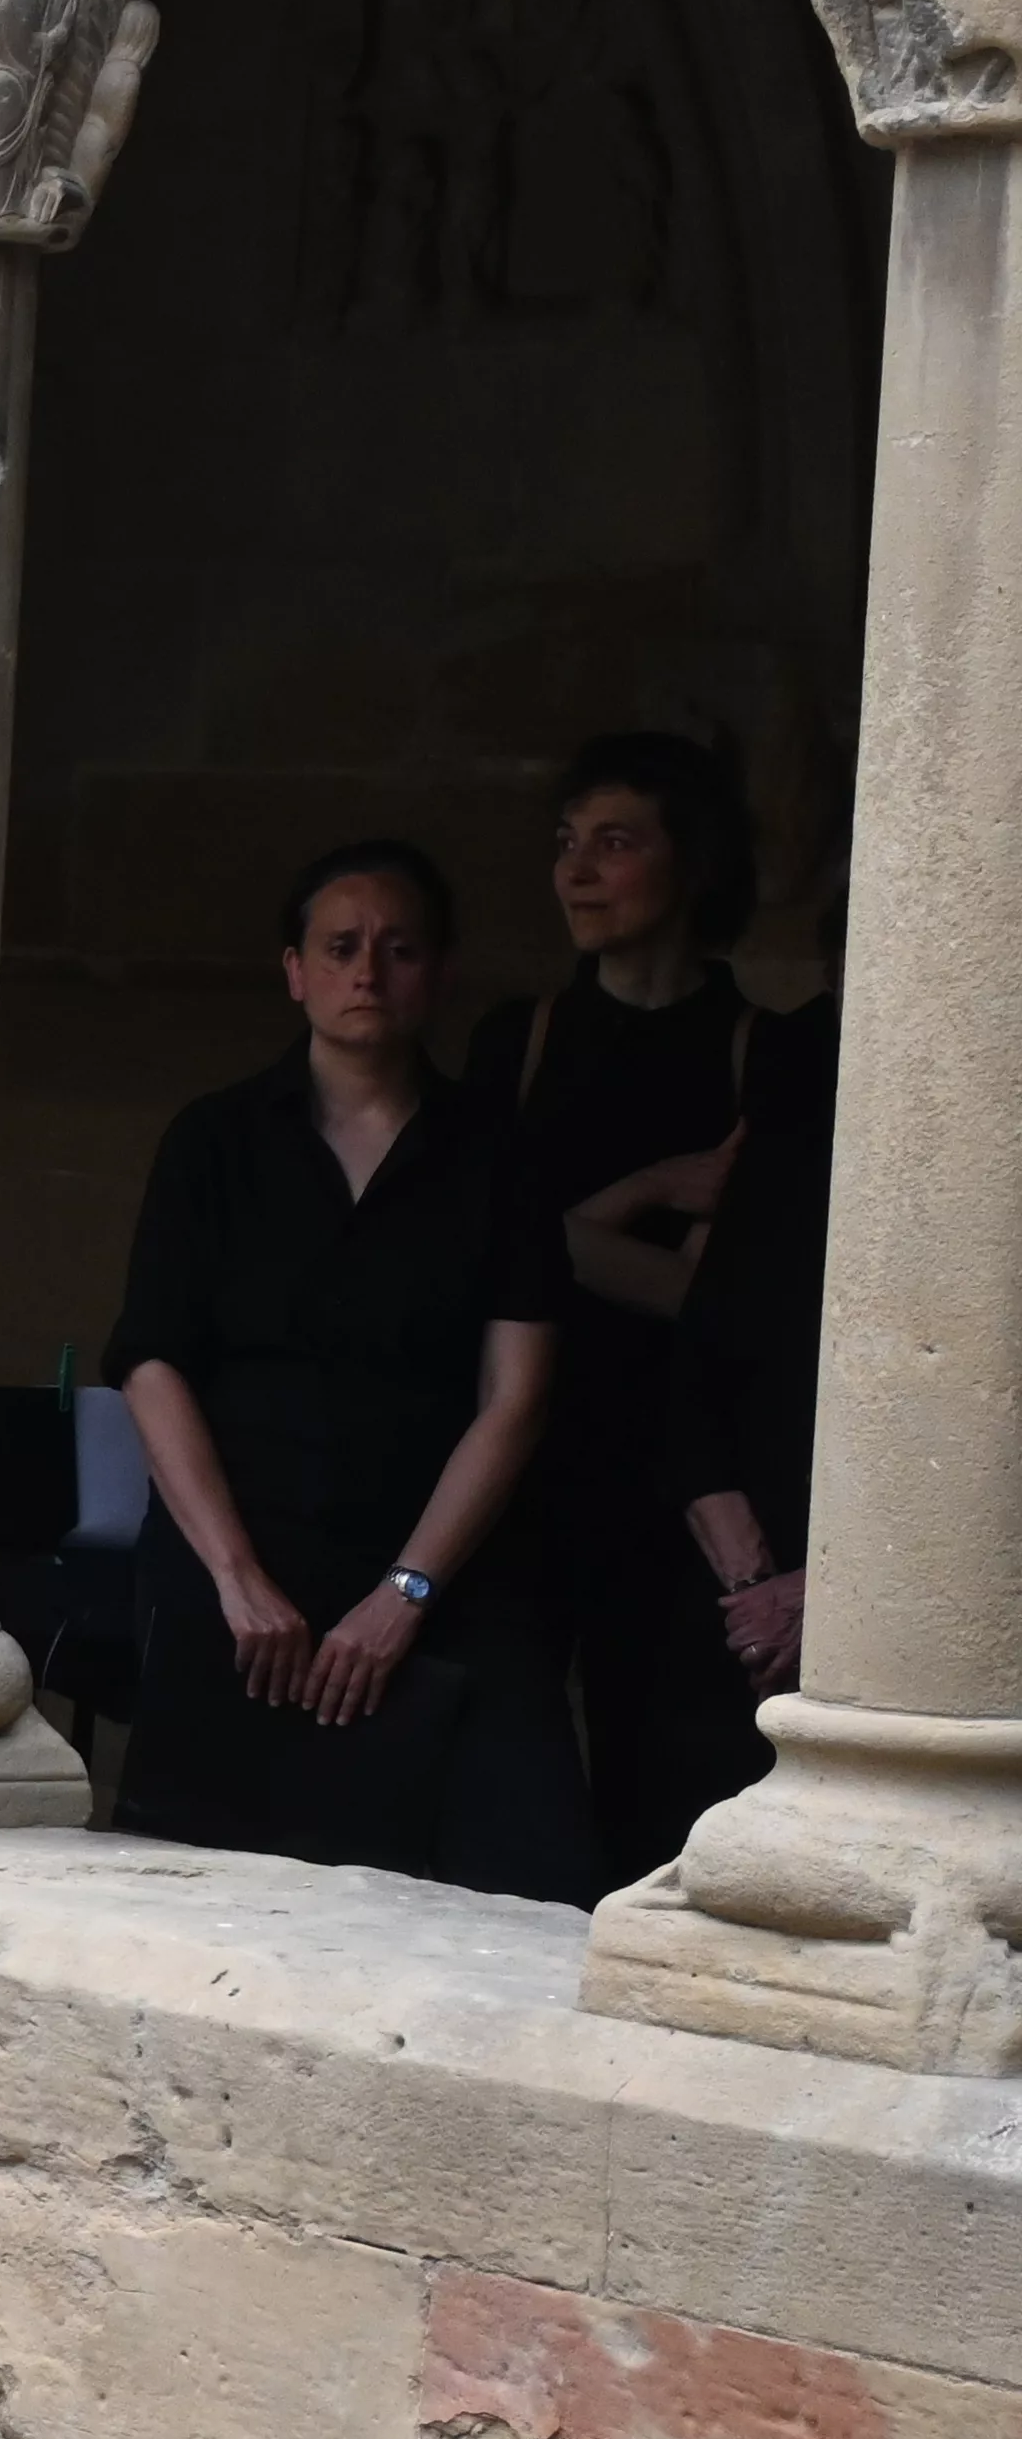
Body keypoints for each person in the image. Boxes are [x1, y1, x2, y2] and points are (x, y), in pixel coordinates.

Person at [105, 842, 594, 1898]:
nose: (368, 969)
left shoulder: (500, 1152)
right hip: (246, 1586)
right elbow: (152, 1360)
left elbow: (516, 1398)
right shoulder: (215, 1140)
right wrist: (237, 1581)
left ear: (439, 973)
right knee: (213, 1903)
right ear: (295, 970)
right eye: (340, 946)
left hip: (450, 1575)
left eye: (399, 946)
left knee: (529, 1889)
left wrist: (405, 1592)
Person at [467, 733, 765, 1873]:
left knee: (666, 1773)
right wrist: (647, 1192)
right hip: (527, 1456)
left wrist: (568, 1238)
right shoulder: (523, 1039)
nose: (577, 870)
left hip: (671, 1467)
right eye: (565, 844)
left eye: (615, 842)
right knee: (520, 1772)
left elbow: (725, 1296)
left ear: (688, 863)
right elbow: (483, 1254)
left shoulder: (755, 1051)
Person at [669, 992, 842, 1719]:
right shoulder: (792, 1137)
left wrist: (828, 1594)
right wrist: (752, 1591)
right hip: (739, 1590)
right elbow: (693, 1366)